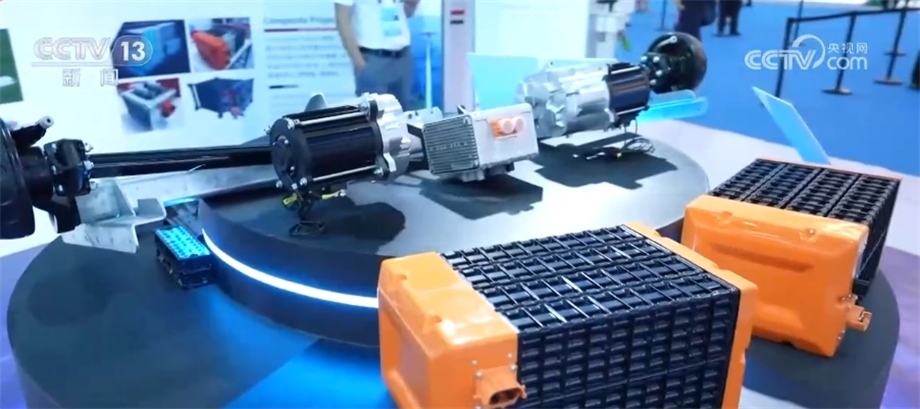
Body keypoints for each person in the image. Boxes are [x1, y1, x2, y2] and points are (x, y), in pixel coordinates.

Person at [334, 0, 420, 109]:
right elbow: (342, 20)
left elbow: (407, 12)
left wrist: (413, 4)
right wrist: (359, 62)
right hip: (373, 60)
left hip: (403, 58)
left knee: (405, 113)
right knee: (376, 114)